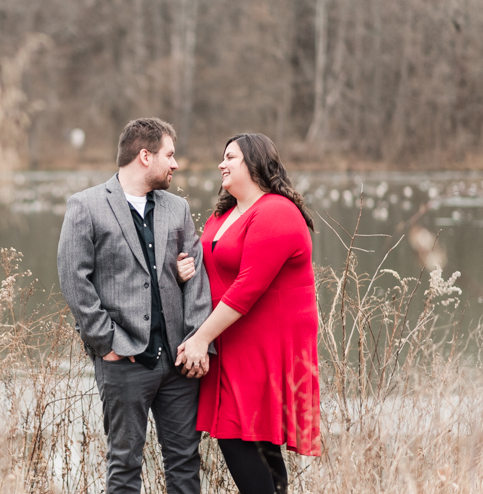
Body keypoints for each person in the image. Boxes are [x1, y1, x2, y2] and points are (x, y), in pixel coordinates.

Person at [57, 117, 212, 494]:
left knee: (186, 466)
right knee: (124, 467)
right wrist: (106, 344)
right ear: (145, 156)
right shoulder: (87, 206)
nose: (175, 164)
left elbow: (197, 276)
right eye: (169, 155)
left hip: (177, 363)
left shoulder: (177, 209)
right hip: (123, 361)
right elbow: (74, 279)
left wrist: (196, 340)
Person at [175, 133, 320, 494]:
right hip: (232, 341)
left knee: (243, 437)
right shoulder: (224, 213)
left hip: (263, 345)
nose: (221, 164)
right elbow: (212, 264)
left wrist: (200, 339)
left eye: (230, 157)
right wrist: (186, 269)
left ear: (255, 164)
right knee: (251, 439)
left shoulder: (276, 212)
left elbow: (247, 287)